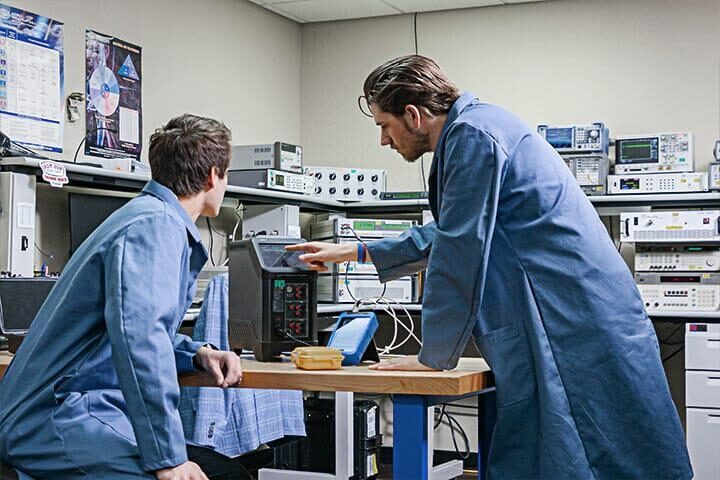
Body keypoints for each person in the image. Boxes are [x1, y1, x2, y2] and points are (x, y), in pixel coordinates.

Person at [286, 55, 693, 479]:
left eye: (383, 126)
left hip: (573, 323)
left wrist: (432, 359)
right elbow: (453, 232)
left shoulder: (473, 136)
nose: (384, 142)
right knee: (576, 450)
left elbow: (460, 251)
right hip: (575, 314)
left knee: (593, 453)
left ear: (413, 115)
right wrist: (352, 253)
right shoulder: (481, 127)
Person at [0, 114, 243, 480]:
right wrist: (169, 459)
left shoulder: (149, 218)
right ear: (213, 175)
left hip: (76, 407)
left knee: (227, 472)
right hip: (53, 418)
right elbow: (140, 340)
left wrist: (195, 353)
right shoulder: (154, 226)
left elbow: (135, 330)